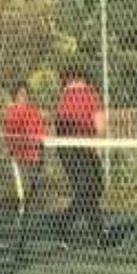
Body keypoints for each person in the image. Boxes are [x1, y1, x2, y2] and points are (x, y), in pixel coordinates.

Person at [54, 68, 106, 244]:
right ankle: (97, 233)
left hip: (66, 149)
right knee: (91, 188)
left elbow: (60, 126)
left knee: (89, 188)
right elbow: (100, 127)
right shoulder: (91, 95)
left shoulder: (64, 97)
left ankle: (70, 224)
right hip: (81, 148)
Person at [2, 83, 47, 216]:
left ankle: (27, 214)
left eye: (26, 93)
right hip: (21, 156)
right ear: (15, 96)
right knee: (23, 189)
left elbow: (41, 130)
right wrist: (11, 149)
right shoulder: (12, 112)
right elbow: (10, 134)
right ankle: (22, 214)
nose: (24, 96)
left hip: (36, 154)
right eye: (21, 94)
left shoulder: (33, 110)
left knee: (33, 188)